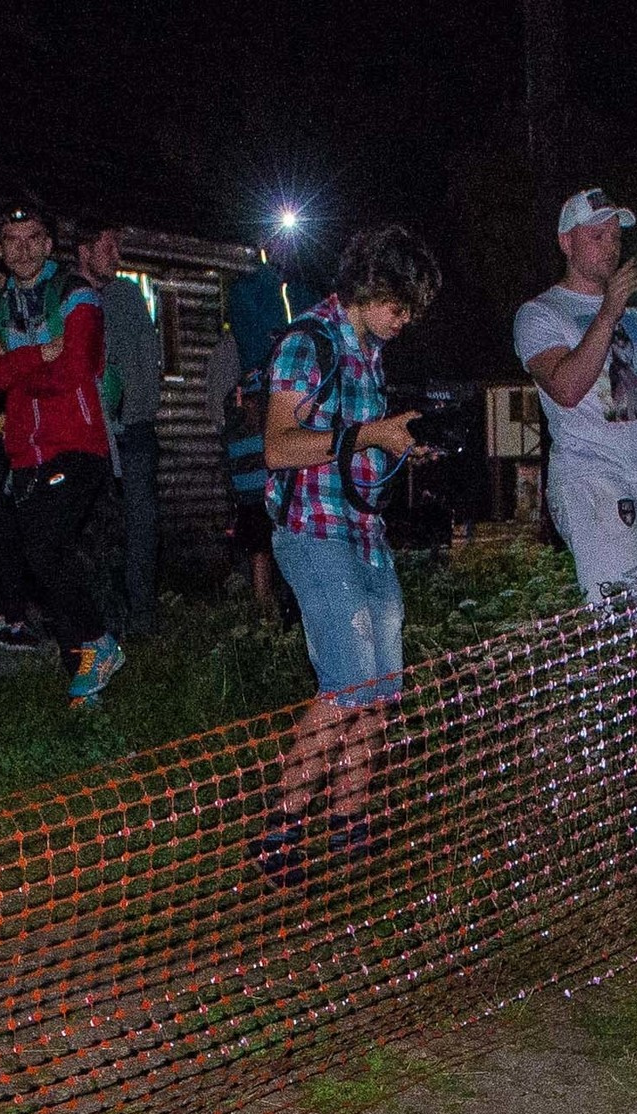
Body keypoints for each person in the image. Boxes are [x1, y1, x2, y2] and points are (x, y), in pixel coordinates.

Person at [250, 225, 443, 885]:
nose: (406, 319)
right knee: (347, 684)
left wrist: (396, 446)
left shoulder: (369, 352)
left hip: (365, 533)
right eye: (401, 303)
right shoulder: (310, 342)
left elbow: (354, 445)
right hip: (312, 532)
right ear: (371, 287)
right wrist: (368, 434)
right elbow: (278, 447)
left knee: (383, 690)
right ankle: (279, 830)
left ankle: (350, 826)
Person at [0, 204, 124, 705]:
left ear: (48, 243)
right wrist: (38, 354)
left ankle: (99, 644)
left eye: (32, 237)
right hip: (23, 455)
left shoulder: (76, 293)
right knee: (45, 557)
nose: (22, 248)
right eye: (10, 240)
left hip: (79, 444)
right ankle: (85, 684)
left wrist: (12, 363)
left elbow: (75, 366)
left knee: (43, 546)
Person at [514, 189, 637, 602]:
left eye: (616, 237)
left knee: (632, 606)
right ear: (567, 243)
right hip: (589, 476)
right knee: (617, 613)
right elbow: (565, 387)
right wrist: (608, 311)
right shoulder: (541, 313)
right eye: (597, 237)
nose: (610, 247)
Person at [70, 215, 166, 635]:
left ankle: (139, 618)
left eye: (117, 248)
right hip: (96, 433)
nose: (117, 257)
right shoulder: (73, 298)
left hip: (131, 431)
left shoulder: (124, 295)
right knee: (99, 528)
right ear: (84, 250)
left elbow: (141, 367)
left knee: (137, 525)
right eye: (108, 249)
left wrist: (131, 414)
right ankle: (107, 621)